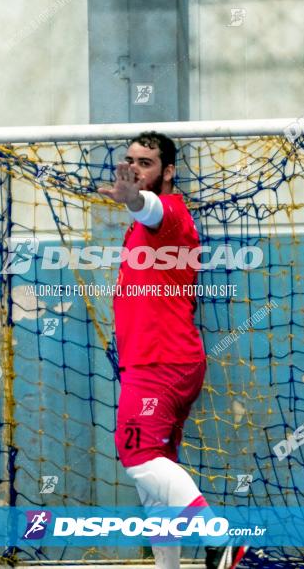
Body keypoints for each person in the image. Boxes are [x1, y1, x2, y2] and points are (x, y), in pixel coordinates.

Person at [98, 132, 246, 569]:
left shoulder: (172, 215)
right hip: (157, 363)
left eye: (146, 163)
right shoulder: (140, 227)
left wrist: (132, 199)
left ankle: (220, 538)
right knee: (156, 480)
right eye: (129, 160)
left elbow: (153, 208)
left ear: (168, 172)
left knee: (137, 457)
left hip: (159, 365)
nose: (135, 168)